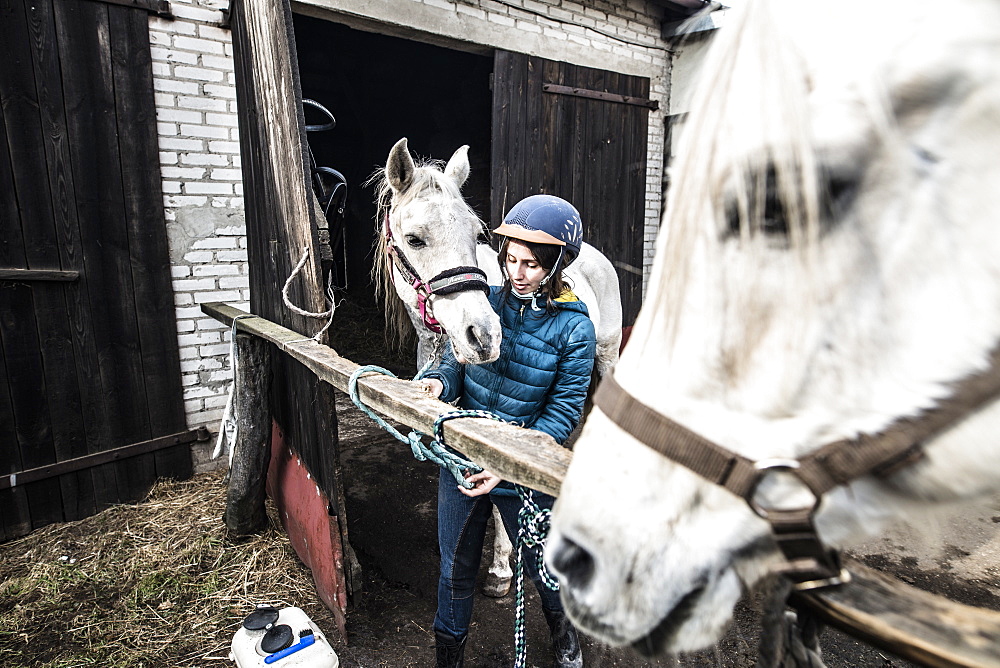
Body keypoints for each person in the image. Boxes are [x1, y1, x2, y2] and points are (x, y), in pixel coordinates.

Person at [418, 194, 596, 668]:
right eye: (511, 260)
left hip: (523, 466)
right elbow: (457, 361)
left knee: (545, 568)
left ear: (557, 265)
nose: (516, 273)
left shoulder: (575, 330)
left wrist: (508, 465)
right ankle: (447, 658)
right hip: (464, 455)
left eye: (532, 265)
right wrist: (439, 380)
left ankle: (564, 636)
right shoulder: (488, 302)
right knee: (455, 570)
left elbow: (562, 414)